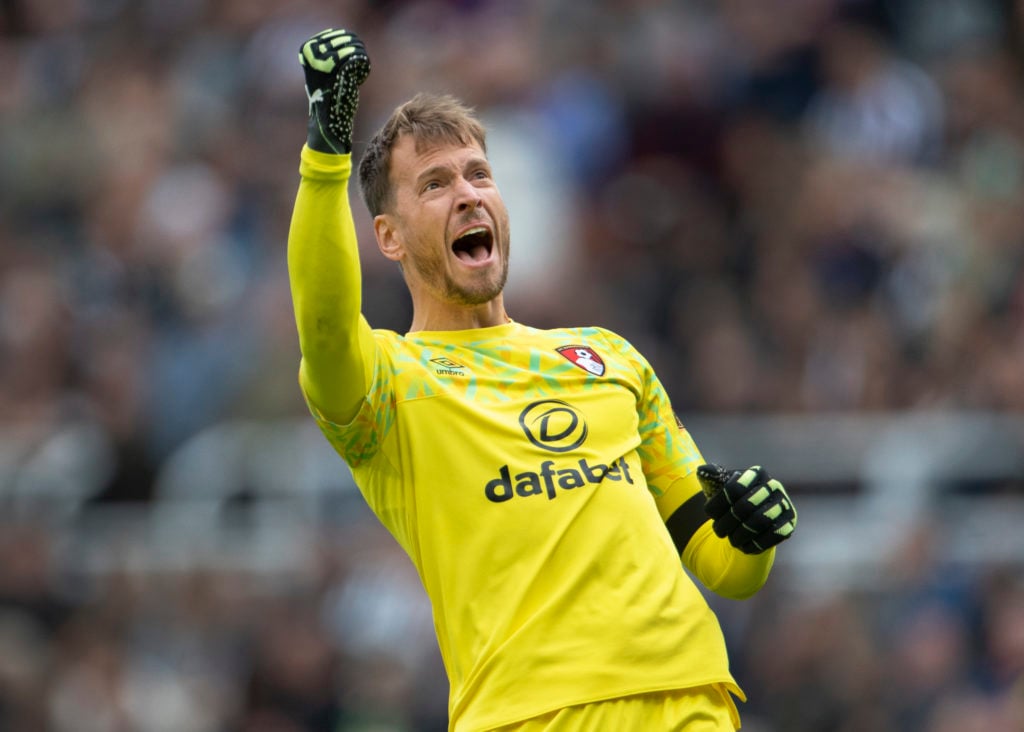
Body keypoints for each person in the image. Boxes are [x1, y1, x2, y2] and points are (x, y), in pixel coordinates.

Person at [288, 27, 797, 732]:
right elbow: (321, 323)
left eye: (478, 174)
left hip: (690, 699)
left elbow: (721, 566)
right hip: (529, 714)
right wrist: (326, 150)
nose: (467, 195)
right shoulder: (384, 382)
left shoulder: (608, 358)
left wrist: (751, 537)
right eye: (434, 185)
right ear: (388, 237)